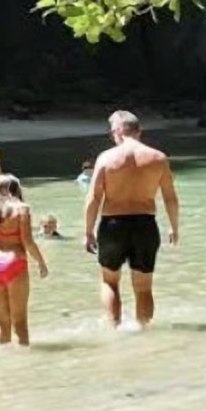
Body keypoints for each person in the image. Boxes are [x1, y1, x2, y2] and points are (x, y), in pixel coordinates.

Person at [84, 110, 179, 329]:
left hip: (113, 224)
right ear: (139, 131)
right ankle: (144, 331)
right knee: (144, 287)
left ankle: (114, 330)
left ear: (117, 132)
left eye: (112, 132)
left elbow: (93, 198)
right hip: (145, 224)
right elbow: (170, 198)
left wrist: (88, 231)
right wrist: (174, 227)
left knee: (110, 281)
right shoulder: (158, 158)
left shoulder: (106, 158)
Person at [0, 174, 47, 346]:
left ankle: (4, 363)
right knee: (20, 322)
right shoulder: (22, 209)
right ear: (16, 190)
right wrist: (41, 263)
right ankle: (24, 366)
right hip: (15, 262)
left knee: (3, 322)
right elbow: (27, 242)